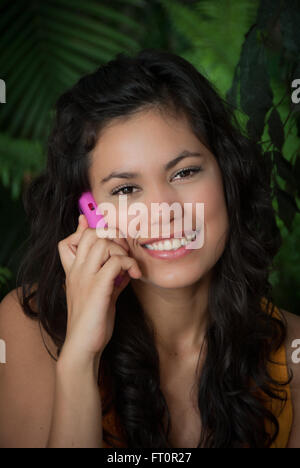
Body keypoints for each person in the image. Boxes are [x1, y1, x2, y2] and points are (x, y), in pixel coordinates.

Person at [0, 49, 299, 448]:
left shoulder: (291, 348)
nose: (164, 212)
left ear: (227, 176)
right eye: (126, 189)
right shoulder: (27, 327)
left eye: (185, 171)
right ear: (89, 214)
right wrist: (79, 360)